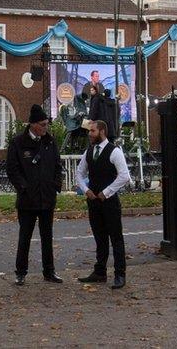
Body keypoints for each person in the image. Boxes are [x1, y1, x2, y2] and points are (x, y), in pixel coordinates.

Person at [6, 105, 64, 286]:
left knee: (48, 237)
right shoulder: (18, 143)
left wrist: (56, 185)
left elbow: (57, 165)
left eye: (47, 124)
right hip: (27, 199)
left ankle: (49, 271)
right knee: (25, 237)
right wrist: (23, 187)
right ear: (33, 124)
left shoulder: (50, 142)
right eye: (42, 124)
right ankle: (21, 272)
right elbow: (12, 170)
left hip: (47, 197)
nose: (45, 128)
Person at [76, 120, 131, 289]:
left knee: (116, 238)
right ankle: (100, 272)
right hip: (93, 201)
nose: (89, 133)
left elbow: (124, 176)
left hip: (110, 202)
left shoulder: (114, 152)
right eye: (89, 131)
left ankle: (120, 274)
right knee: (99, 238)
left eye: (92, 131)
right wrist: (86, 189)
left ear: (102, 132)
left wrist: (106, 192)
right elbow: (79, 173)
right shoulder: (89, 151)